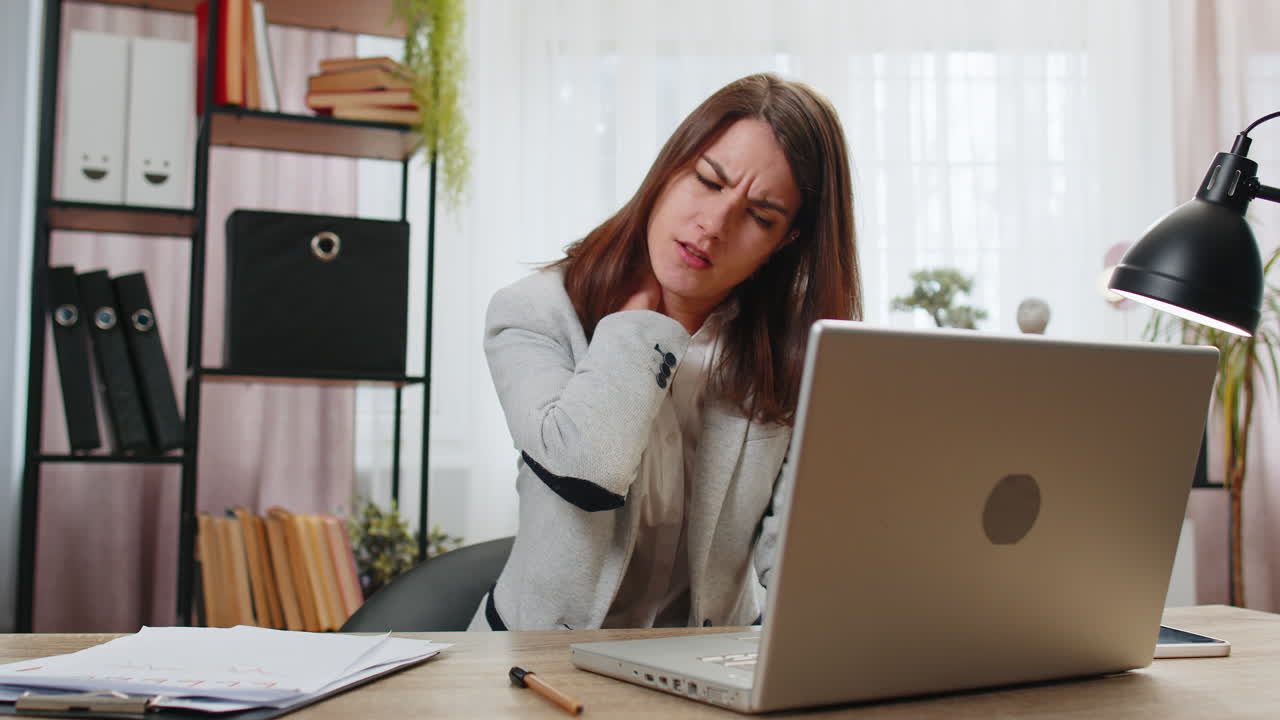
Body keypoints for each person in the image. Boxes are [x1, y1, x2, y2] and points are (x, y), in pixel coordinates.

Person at [469, 73, 861, 631]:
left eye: (760, 216)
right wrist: (642, 324)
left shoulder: (795, 354)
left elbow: (802, 561)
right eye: (708, 180)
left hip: (708, 662)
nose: (714, 225)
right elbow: (586, 475)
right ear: (669, 168)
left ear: (786, 242)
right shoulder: (534, 312)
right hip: (538, 660)